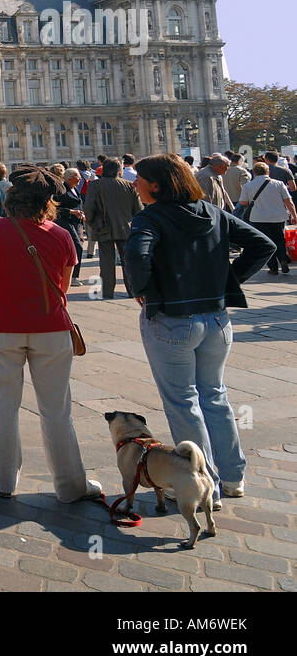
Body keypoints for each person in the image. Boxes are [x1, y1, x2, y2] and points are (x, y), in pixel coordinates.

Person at [126, 154, 276, 505]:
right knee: (215, 395)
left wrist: (143, 289)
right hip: (217, 319)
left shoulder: (150, 218)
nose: (135, 184)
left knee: (183, 401)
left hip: (173, 319)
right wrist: (228, 280)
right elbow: (263, 244)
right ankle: (233, 477)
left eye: (141, 179)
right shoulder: (211, 212)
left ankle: (201, 480)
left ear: (156, 185)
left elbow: (136, 256)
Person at [0, 166, 103, 504]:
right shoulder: (61, 236)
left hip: (0, 327)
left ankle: (1, 479)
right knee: (57, 409)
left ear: (11, 200)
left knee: (3, 404)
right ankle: (71, 485)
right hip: (50, 328)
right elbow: (63, 287)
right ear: (49, 203)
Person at [81, 158, 142, 299]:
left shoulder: (95, 185)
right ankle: (132, 291)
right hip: (126, 227)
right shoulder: (128, 186)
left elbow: (88, 208)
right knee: (128, 262)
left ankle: (107, 292)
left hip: (103, 227)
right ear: (119, 170)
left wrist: (92, 223)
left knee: (106, 262)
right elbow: (138, 209)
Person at [237, 161, 297, 274]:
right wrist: (294, 215)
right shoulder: (279, 184)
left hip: (258, 218)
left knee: (266, 242)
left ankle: (273, 267)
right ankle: (283, 260)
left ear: (254, 172)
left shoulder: (248, 186)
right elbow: (288, 201)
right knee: (279, 239)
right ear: (268, 172)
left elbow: (243, 202)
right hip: (278, 217)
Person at [55, 168, 86, 285]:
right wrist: (71, 212)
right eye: (77, 176)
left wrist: (81, 213)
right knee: (77, 247)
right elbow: (56, 208)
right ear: (69, 178)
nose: (80, 179)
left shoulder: (75, 189)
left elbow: (78, 203)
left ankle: (71, 274)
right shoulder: (62, 190)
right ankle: (72, 276)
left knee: (76, 247)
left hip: (76, 222)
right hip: (65, 222)